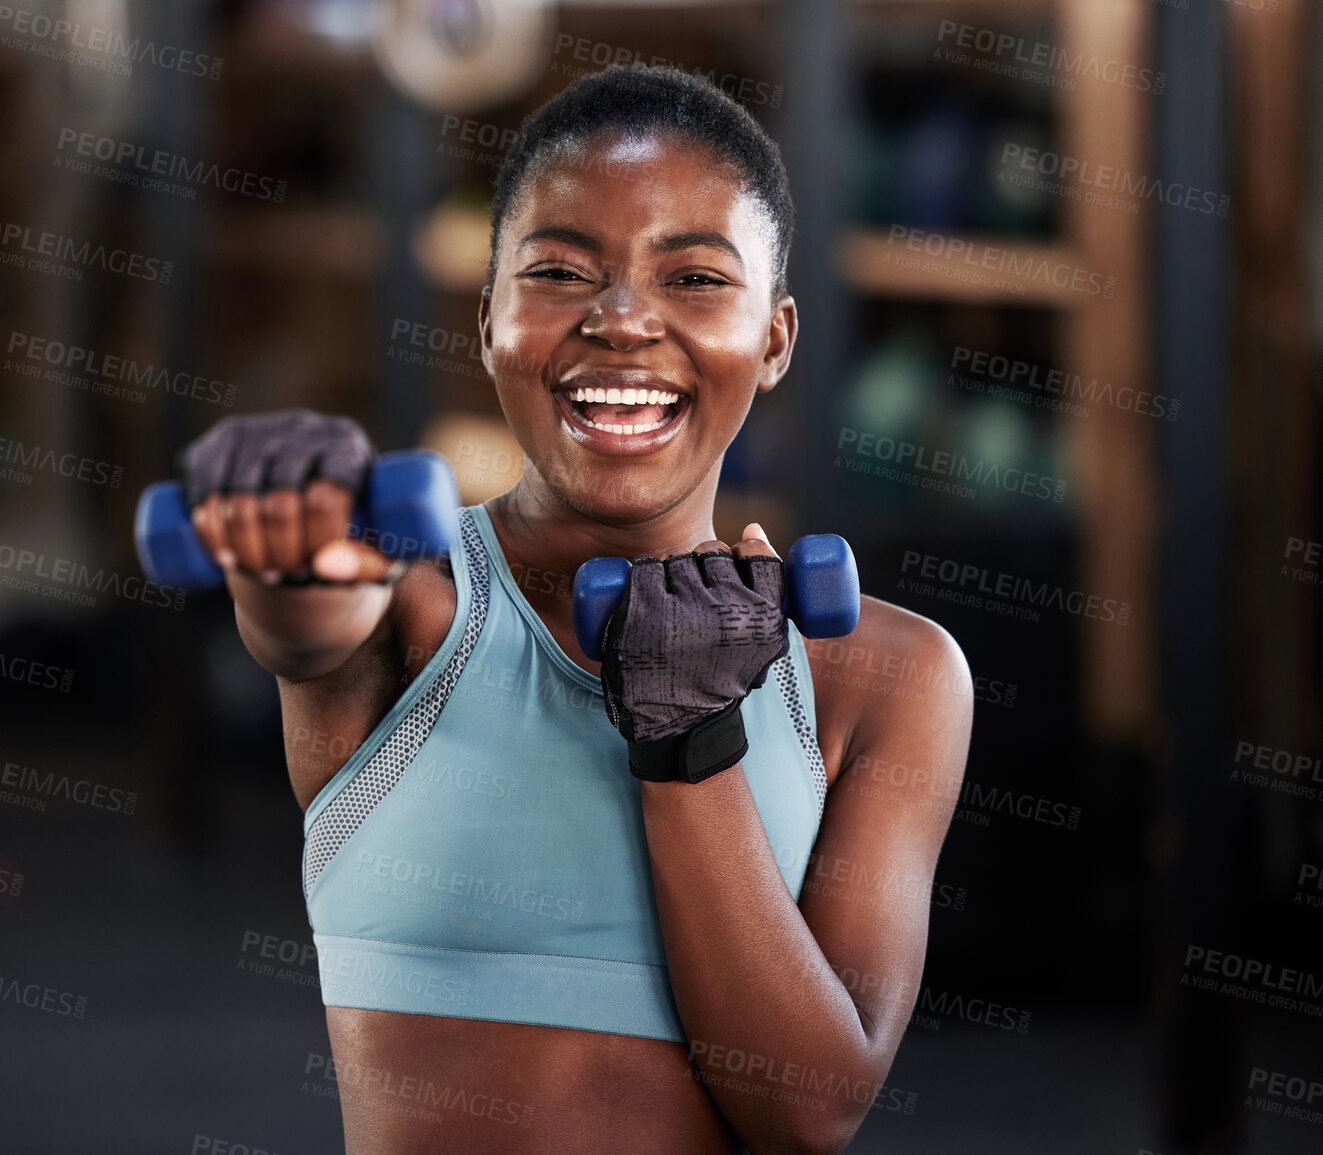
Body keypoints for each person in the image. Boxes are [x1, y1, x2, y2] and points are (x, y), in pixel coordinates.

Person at [184, 65, 972, 1155]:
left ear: (777, 340)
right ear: (489, 319)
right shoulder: (406, 600)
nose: (622, 321)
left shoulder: (887, 672)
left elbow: (807, 1110)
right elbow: (302, 620)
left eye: (694, 278)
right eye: (559, 271)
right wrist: (280, 528)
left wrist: (691, 741)